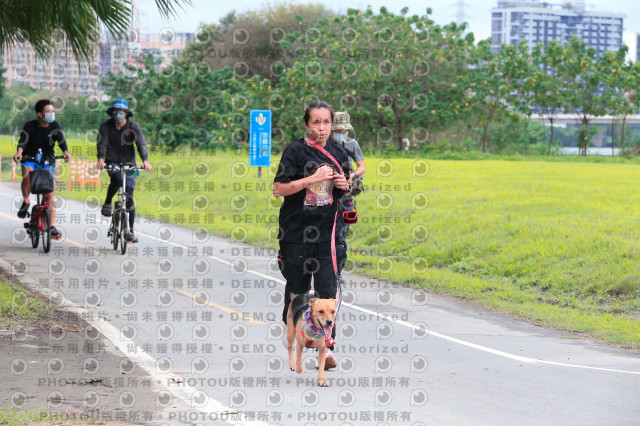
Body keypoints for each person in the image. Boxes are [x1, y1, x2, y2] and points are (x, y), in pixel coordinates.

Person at [274, 101, 351, 369]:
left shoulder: (339, 153)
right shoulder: (295, 151)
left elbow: (346, 188)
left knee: (327, 291)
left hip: (328, 236)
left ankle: (326, 349)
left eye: (326, 122)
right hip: (296, 234)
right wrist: (312, 179)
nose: (322, 128)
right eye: (316, 122)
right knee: (298, 291)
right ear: (306, 124)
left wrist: (344, 185)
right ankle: (296, 334)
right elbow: (279, 189)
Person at [13, 99, 71, 239]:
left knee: (50, 194)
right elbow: (23, 142)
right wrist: (19, 153)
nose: (52, 113)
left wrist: (66, 152)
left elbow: (61, 140)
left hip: (47, 160)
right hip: (30, 158)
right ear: (40, 114)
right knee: (27, 172)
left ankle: (51, 226)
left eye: (53, 111)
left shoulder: (54, 125)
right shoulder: (30, 126)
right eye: (48, 111)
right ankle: (26, 200)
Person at [97, 99, 152, 243]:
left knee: (129, 195)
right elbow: (102, 143)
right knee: (116, 177)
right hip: (112, 161)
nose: (118, 114)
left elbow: (141, 143)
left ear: (127, 113)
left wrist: (145, 160)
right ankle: (108, 202)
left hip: (129, 163)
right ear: (112, 112)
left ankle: (130, 231)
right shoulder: (106, 126)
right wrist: (101, 159)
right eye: (116, 111)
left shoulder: (134, 127)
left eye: (121, 111)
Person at [329, 111, 366, 242]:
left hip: (346, 196)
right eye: (338, 130)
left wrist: (352, 175)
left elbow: (362, 167)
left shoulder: (352, 144)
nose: (342, 133)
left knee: (342, 233)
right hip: (327, 195)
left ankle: (339, 254)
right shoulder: (324, 144)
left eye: (344, 130)